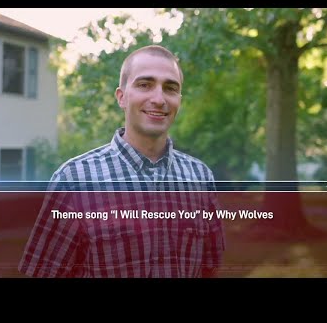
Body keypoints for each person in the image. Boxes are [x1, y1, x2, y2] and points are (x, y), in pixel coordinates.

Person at [18, 45, 225, 278]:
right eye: (144, 84)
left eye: (170, 88)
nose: (158, 99)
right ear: (122, 97)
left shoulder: (200, 178)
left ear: (179, 99)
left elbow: (209, 268)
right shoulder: (74, 181)